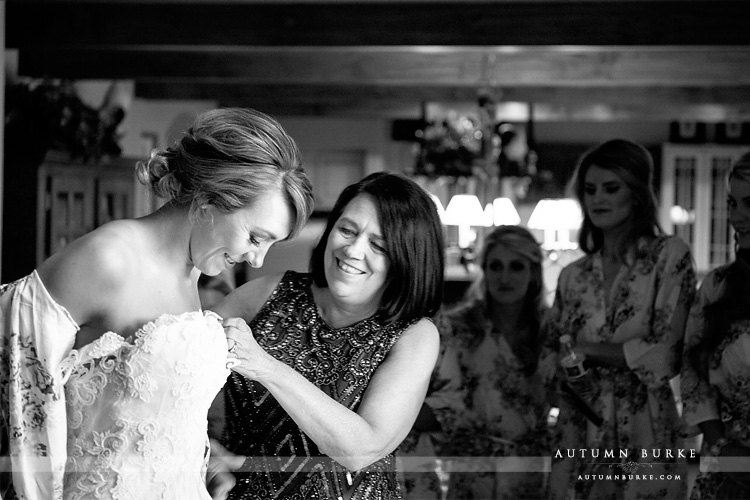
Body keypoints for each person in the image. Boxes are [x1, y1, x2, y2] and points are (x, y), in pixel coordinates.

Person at [0, 107, 314, 500]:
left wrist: (205, 464)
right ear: (208, 202)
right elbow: (23, 386)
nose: (258, 260)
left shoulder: (193, 270)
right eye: (255, 237)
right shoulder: (108, 259)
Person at [209, 171, 445, 499]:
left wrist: (266, 367)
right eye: (347, 230)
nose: (352, 250)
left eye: (378, 245)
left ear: (407, 259)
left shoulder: (414, 336)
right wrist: (208, 451)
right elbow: (172, 375)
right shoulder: (267, 293)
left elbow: (361, 450)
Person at [545, 138, 696, 499]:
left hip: (647, 428)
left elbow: (665, 357)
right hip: (581, 430)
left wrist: (589, 350)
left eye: (611, 188)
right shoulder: (572, 275)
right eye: (590, 189)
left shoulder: (668, 256)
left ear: (638, 193)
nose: (597, 199)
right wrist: (566, 368)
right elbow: (555, 355)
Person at [407, 225, 557, 500]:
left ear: (533, 273)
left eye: (516, 267)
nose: (505, 277)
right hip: (470, 471)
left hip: (531, 470)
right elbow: (432, 400)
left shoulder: (549, 330)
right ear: (484, 270)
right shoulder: (456, 327)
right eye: (495, 266)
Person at [682, 151, 750, 500]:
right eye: (732, 203)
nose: (737, 216)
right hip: (727, 460)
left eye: (749, 203)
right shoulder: (717, 286)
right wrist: (720, 444)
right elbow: (693, 374)